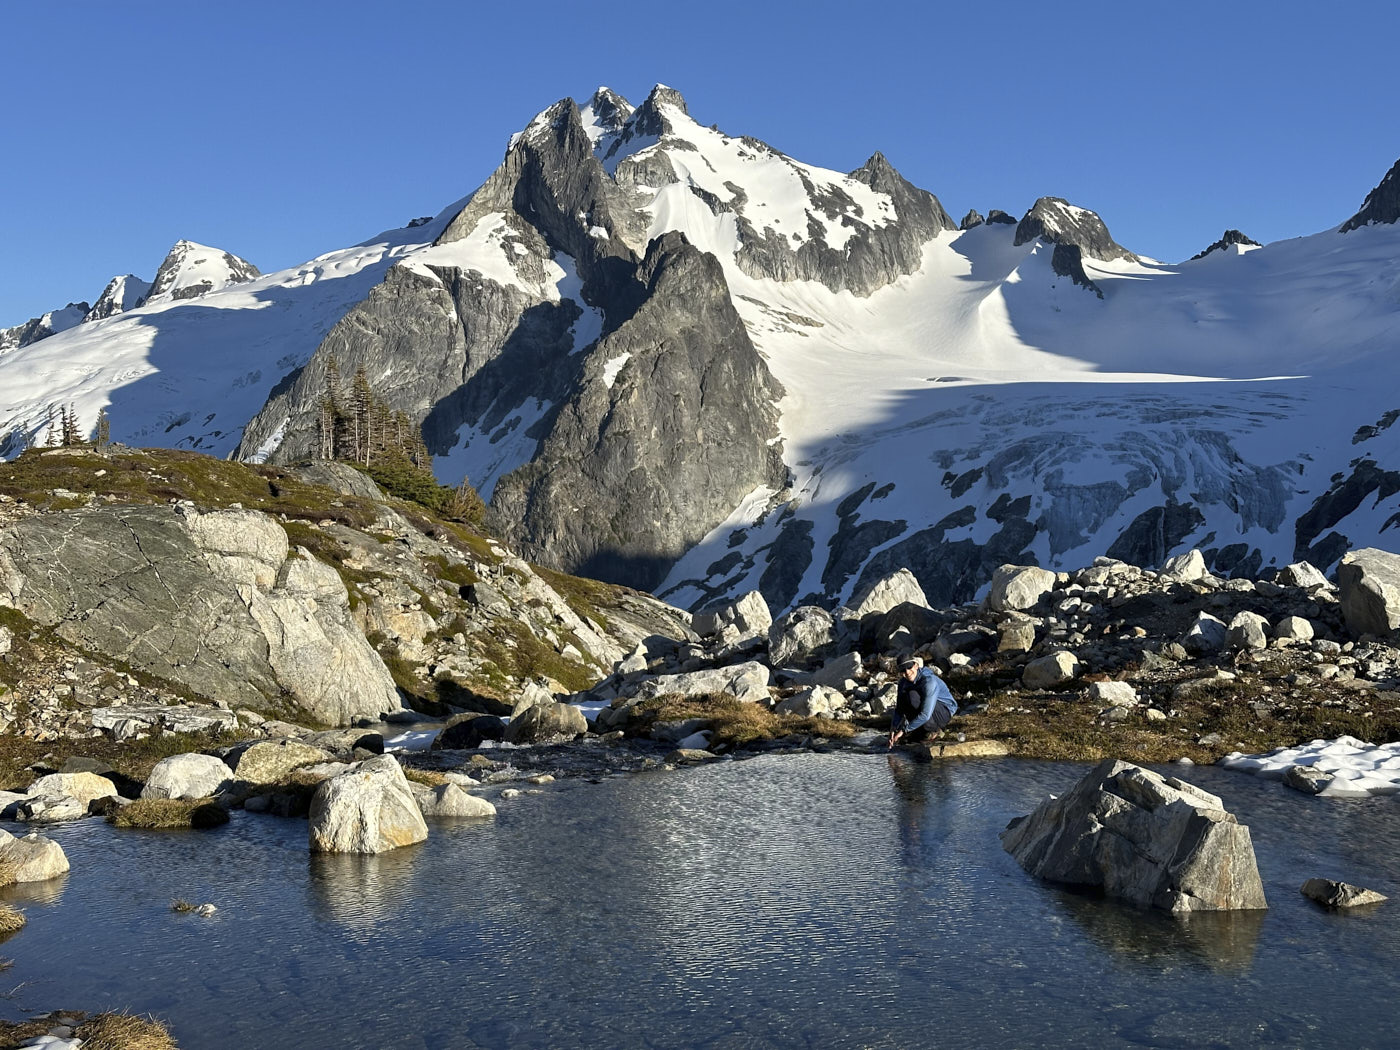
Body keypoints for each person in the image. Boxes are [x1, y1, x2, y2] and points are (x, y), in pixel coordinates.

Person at [888, 656, 958, 748]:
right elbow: (899, 709)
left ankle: (934, 730)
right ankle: (920, 731)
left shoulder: (929, 681)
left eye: (909, 667)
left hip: (944, 711)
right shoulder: (902, 683)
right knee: (906, 697)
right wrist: (893, 729)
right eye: (903, 670)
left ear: (916, 666)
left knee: (912, 696)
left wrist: (904, 730)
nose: (907, 672)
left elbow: (925, 714)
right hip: (927, 711)